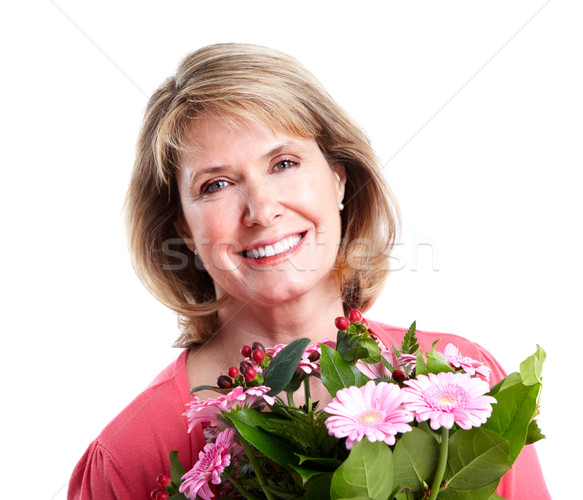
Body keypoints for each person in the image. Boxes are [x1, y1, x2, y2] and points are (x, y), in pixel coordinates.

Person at [68, 43, 550, 499]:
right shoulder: (128, 458)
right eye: (216, 184)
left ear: (339, 179)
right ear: (184, 230)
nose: (261, 209)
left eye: (283, 163)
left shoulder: (462, 384)